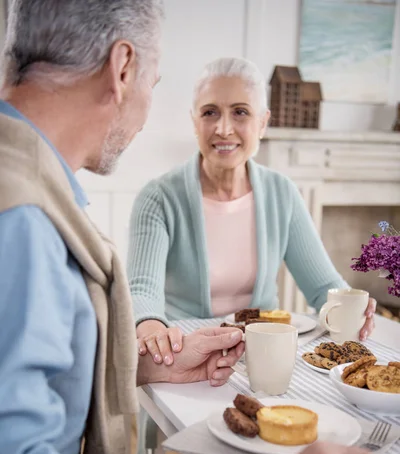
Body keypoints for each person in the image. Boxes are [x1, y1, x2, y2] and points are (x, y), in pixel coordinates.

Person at [0, 3, 386, 454]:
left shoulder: (33, 181)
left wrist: (141, 361)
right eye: (158, 85)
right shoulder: (22, 215)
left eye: (238, 113)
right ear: (123, 68)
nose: (222, 128)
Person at [127, 57, 376, 367]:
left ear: (262, 123)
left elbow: (323, 288)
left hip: (263, 359)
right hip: (185, 358)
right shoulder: (158, 198)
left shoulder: (282, 193)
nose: (223, 128)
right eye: (210, 112)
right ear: (194, 122)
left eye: (240, 112)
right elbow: (141, 291)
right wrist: (151, 329)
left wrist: (352, 305)